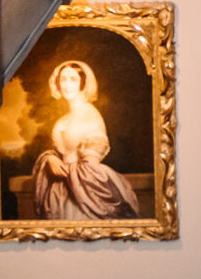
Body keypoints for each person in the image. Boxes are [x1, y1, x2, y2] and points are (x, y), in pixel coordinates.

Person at [30, 59, 140, 220]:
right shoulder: (62, 119)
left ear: (83, 83)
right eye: (63, 79)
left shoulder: (90, 115)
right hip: (58, 192)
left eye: (73, 79)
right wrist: (50, 158)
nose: (67, 85)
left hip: (84, 190)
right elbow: (58, 151)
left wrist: (66, 169)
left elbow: (91, 165)